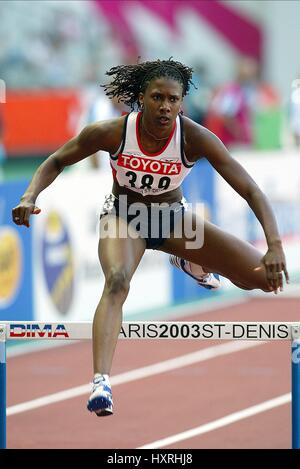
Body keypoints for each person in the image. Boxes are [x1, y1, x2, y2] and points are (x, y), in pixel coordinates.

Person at [12, 58, 289, 417]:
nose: (165, 107)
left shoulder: (194, 137)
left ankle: (186, 257)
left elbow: (250, 189)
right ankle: (101, 382)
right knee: (116, 282)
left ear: (182, 102)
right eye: (157, 97)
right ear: (141, 98)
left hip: (173, 221)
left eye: (173, 100)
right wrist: (29, 196)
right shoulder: (112, 132)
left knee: (263, 280)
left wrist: (274, 245)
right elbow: (56, 161)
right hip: (123, 218)